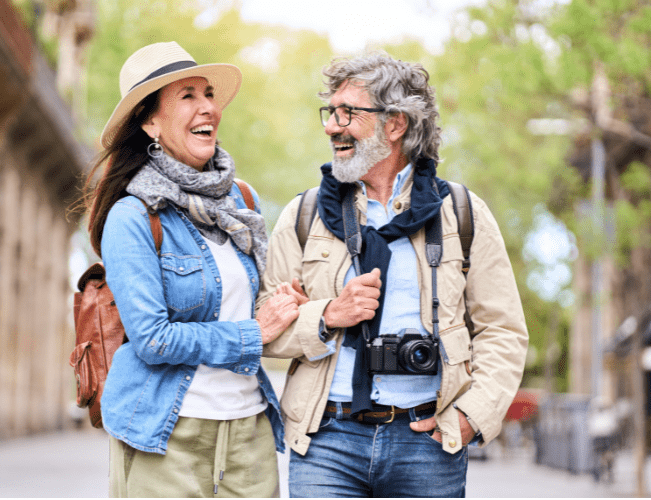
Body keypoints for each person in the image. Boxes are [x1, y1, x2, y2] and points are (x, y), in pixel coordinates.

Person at [258, 53, 529, 497]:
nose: (331, 126)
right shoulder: (304, 215)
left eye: (348, 113)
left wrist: (471, 417)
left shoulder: (461, 213)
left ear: (395, 124)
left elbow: (502, 330)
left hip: (428, 441)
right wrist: (327, 316)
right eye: (330, 113)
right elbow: (264, 327)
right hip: (326, 440)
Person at [81, 41, 298, 498]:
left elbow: (254, 301)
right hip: (166, 433)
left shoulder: (243, 201)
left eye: (208, 93)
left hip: (249, 432)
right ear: (150, 121)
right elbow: (154, 338)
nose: (208, 108)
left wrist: (285, 304)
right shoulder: (133, 217)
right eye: (187, 96)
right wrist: (252, 333)